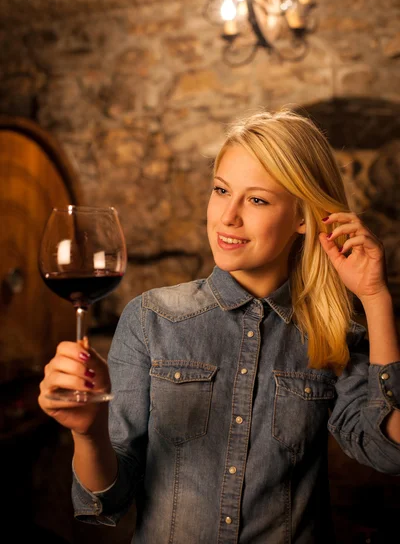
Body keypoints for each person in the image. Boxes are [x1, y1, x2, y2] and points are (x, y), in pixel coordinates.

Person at [38, 108, 400, 544]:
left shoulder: (331, 332)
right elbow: (107, 502)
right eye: (221, 190)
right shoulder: (151, 319)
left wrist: (375, 298)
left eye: (257, 199)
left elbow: (386, 451)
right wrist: (88, 430)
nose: (228, 216)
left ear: (304, 216)